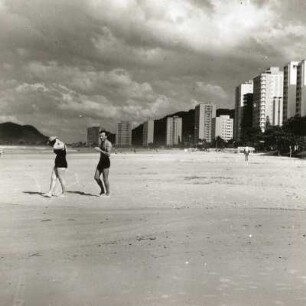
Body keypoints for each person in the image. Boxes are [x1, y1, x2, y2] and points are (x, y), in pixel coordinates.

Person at [94, 130, 112, 197]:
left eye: (102, 136)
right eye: (100, 136)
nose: (101, 137)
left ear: (106, 136)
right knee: (96, 177)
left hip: (106, 163)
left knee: (105, 179)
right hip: (100, 162)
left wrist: (100, 150)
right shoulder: (101, 143)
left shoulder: (108, 144)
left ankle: (108, 193)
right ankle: (102, 191)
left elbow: (108, 154)